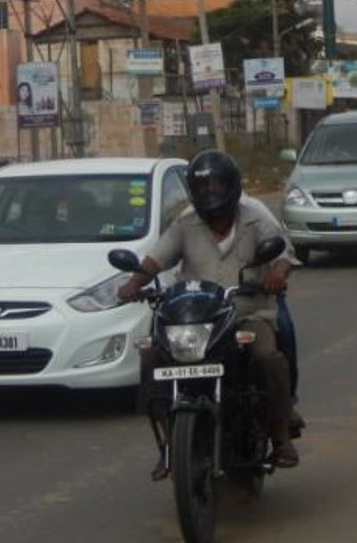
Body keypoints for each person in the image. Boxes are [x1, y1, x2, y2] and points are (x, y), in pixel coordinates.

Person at [118, 149, 301, 472]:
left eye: (216, 185)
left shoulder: (255, 219)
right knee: (151, 358)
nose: (210, 193)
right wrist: (135, 282)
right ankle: (169, 444)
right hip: (195, 320)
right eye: (202, 188)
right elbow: (156, 258)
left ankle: (280, 435)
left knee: (267, 359)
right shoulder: (185, 224)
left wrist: (277, 274)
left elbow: (282, 254)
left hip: (247, 315)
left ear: (231, 186)